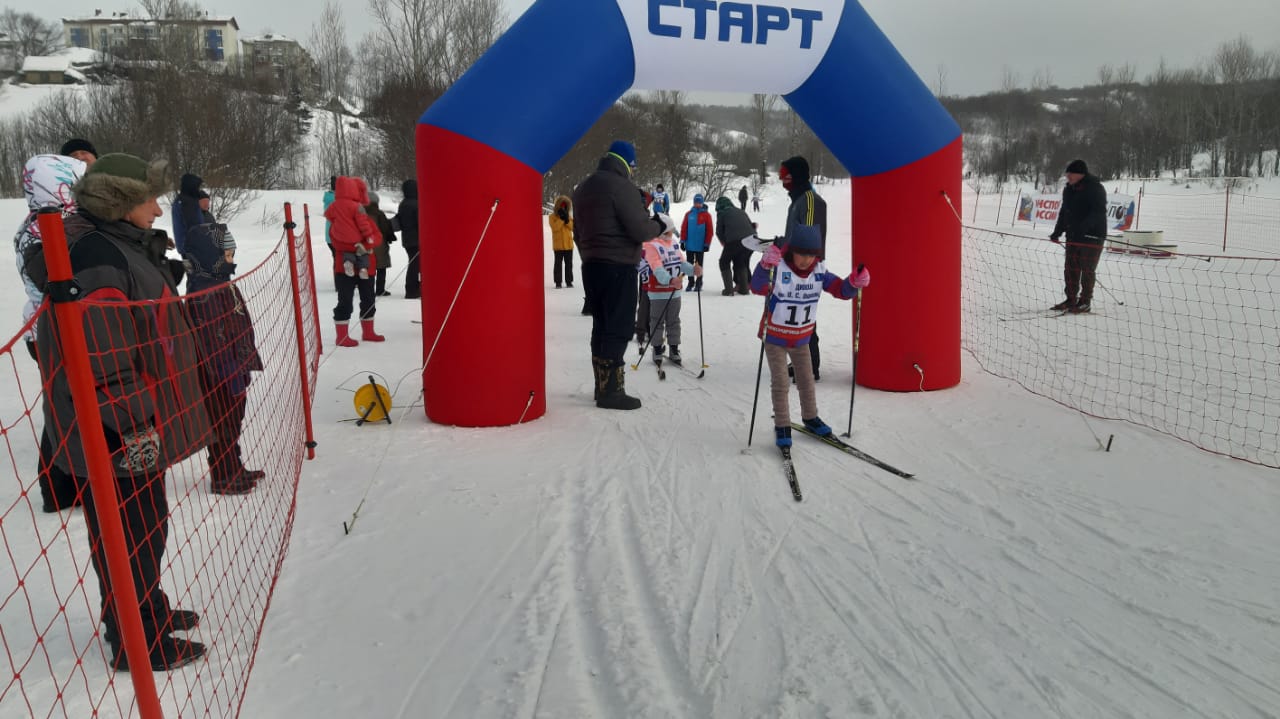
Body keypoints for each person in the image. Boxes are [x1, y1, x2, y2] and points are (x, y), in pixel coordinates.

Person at [30, 153, 210, 670]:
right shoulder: (98, 258)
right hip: (118, 426)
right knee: (128, 530)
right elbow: (103, 356)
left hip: (128, 421)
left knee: (145, 523)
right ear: (120, 204)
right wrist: (134, 424)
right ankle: (139, 640)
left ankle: (146, 608)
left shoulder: (120, 245)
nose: (158, 209)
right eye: (148, 199)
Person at [13, 140, 97, 513]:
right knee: (64, 408)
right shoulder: (42, 228)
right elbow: (58, 279)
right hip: (54, 333)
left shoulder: (61, 221)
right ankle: (60, 489)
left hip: (65, 330)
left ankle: (73, 483)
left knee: (72, 404)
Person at [573, 140, 672, 410]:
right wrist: (659, 224)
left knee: (602, 325)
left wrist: (590, 256)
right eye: (632, 166)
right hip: (618, 266)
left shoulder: (583, 187)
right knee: (618, 326)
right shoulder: (622, 187)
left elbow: (577, 232)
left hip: (592, 265)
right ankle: (612, 392)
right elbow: (639, 230)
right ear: (627, 164)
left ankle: (601, 386)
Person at [751, 224, 870, 448]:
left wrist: (854, 283)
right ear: (791, 251)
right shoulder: (779, 267)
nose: (806, 260)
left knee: (806, 380)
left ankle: (810, 417)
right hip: (775, 336)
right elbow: (756, 286)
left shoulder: (819, 271)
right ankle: (783, 424)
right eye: (801, 254)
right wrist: (765, 265)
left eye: (811, 255)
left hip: (801, 339)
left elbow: (840, 290)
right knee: (781, 382)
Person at [181, 193, 265, 495]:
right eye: (226, 255)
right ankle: (223, 475)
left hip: (234, 367)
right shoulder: (203, 294)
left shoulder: (221, 284)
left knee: (234, 421)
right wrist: (229, 371)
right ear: (209, 257)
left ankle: (235, 466)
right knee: (222, 425)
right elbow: (211, 338)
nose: (231, 260)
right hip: (220, 374)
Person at [780, 156, 828, 380]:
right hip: (793, 264)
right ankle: (802, 363)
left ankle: (810, 366)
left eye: (786, 176)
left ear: (796, 176)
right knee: (796, 316)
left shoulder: (809, 200)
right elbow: (795, 235)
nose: (783, 181)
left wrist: (797, 257)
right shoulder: (798, 200)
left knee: (805, 317)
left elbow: (808, 237)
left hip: (806, 267)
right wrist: (779, 244)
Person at [324, 176, 384, 346]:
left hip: (366, 267)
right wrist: (355, 246)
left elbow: (377, 237)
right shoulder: (337, 224)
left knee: (368, 299)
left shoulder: (365, 219)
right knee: (345, 301)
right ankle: (341, 336)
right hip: (345, 268)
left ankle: (368, 332)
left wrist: (364, 245)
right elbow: (335, 241)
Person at [1049, 159, 1108, 313]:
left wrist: (1084, 228)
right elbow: (1064, 212)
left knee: (1087, 269)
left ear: (1080, 174)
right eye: (1067, 173)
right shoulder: (1068, 189)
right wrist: (1058, 231)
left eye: (1070, 173)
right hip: (1073, 236)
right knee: (1070, 268)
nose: (1068, 176)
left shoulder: (1095, 188)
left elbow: (1098, 212)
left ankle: (1085, 301)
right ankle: (1071, 299)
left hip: (1092, 236)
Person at [640, 213, 700, 364]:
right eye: (669, 231)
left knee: (674, 321)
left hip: (674, 292)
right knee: (657, 321)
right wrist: (670, 280)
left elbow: (681, 263)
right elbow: (657, 269)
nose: (672, 234)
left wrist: (693, 270)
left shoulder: (672, 243)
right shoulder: (650, 245)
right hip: (658, 292)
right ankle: (657, 348)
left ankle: (674, 348)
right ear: (661, 231)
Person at [714, 196, 755, 296]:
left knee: (724, 261)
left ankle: (728, 290)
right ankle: (744, 289)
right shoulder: (741, 211)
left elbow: (719, 231)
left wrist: (724, 242)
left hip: (735, 240)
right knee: (740, 261)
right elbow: (750, 225)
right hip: (752, 240)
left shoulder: (722, 213)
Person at [679, 193, 713, 292]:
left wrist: (707, 244)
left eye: (699, 203)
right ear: (693, 203)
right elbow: (684, 228)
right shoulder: (689, 214)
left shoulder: (706, 215)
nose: (697, 204)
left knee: (699, 264)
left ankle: (699, 282)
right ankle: (690, 282)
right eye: (696, 203)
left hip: (700, 246)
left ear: (702, 203)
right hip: (689, 245)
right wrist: (682, 241)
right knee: (689, 264)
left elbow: (709, 231)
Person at [366, 190, 396, 296]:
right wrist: (390, 237)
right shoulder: (379, 214)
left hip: (366, 243)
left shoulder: (360, 213)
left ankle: (367, 289)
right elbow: (385, 228)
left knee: (367, 266)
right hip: (379, 243)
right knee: (381, 267)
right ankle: (379, 289)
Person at [170, 172, 208, 254]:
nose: (198, 189)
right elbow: (194, 227)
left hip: (185, 246)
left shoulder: (181, 200)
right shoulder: (188, 202)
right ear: (191, 186)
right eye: (197, 186)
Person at [398, 179, 420, 299]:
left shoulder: (403, 203)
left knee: (413, 263)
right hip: (416, 239)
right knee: (415, 265)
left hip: (407, 239)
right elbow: (419, 223)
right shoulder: (415, 204)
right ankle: (412, 290)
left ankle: (413, 288)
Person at [548, 195, 575, 288]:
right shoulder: (552, 217)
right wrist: (560, 218)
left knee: (569, 265)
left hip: (568, 245)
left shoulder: (569, 216)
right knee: (558, 265)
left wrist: (567, 220)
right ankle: (558, 282)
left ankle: (569, 282)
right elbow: (555, 228)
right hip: (558, 245)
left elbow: (572, 228)